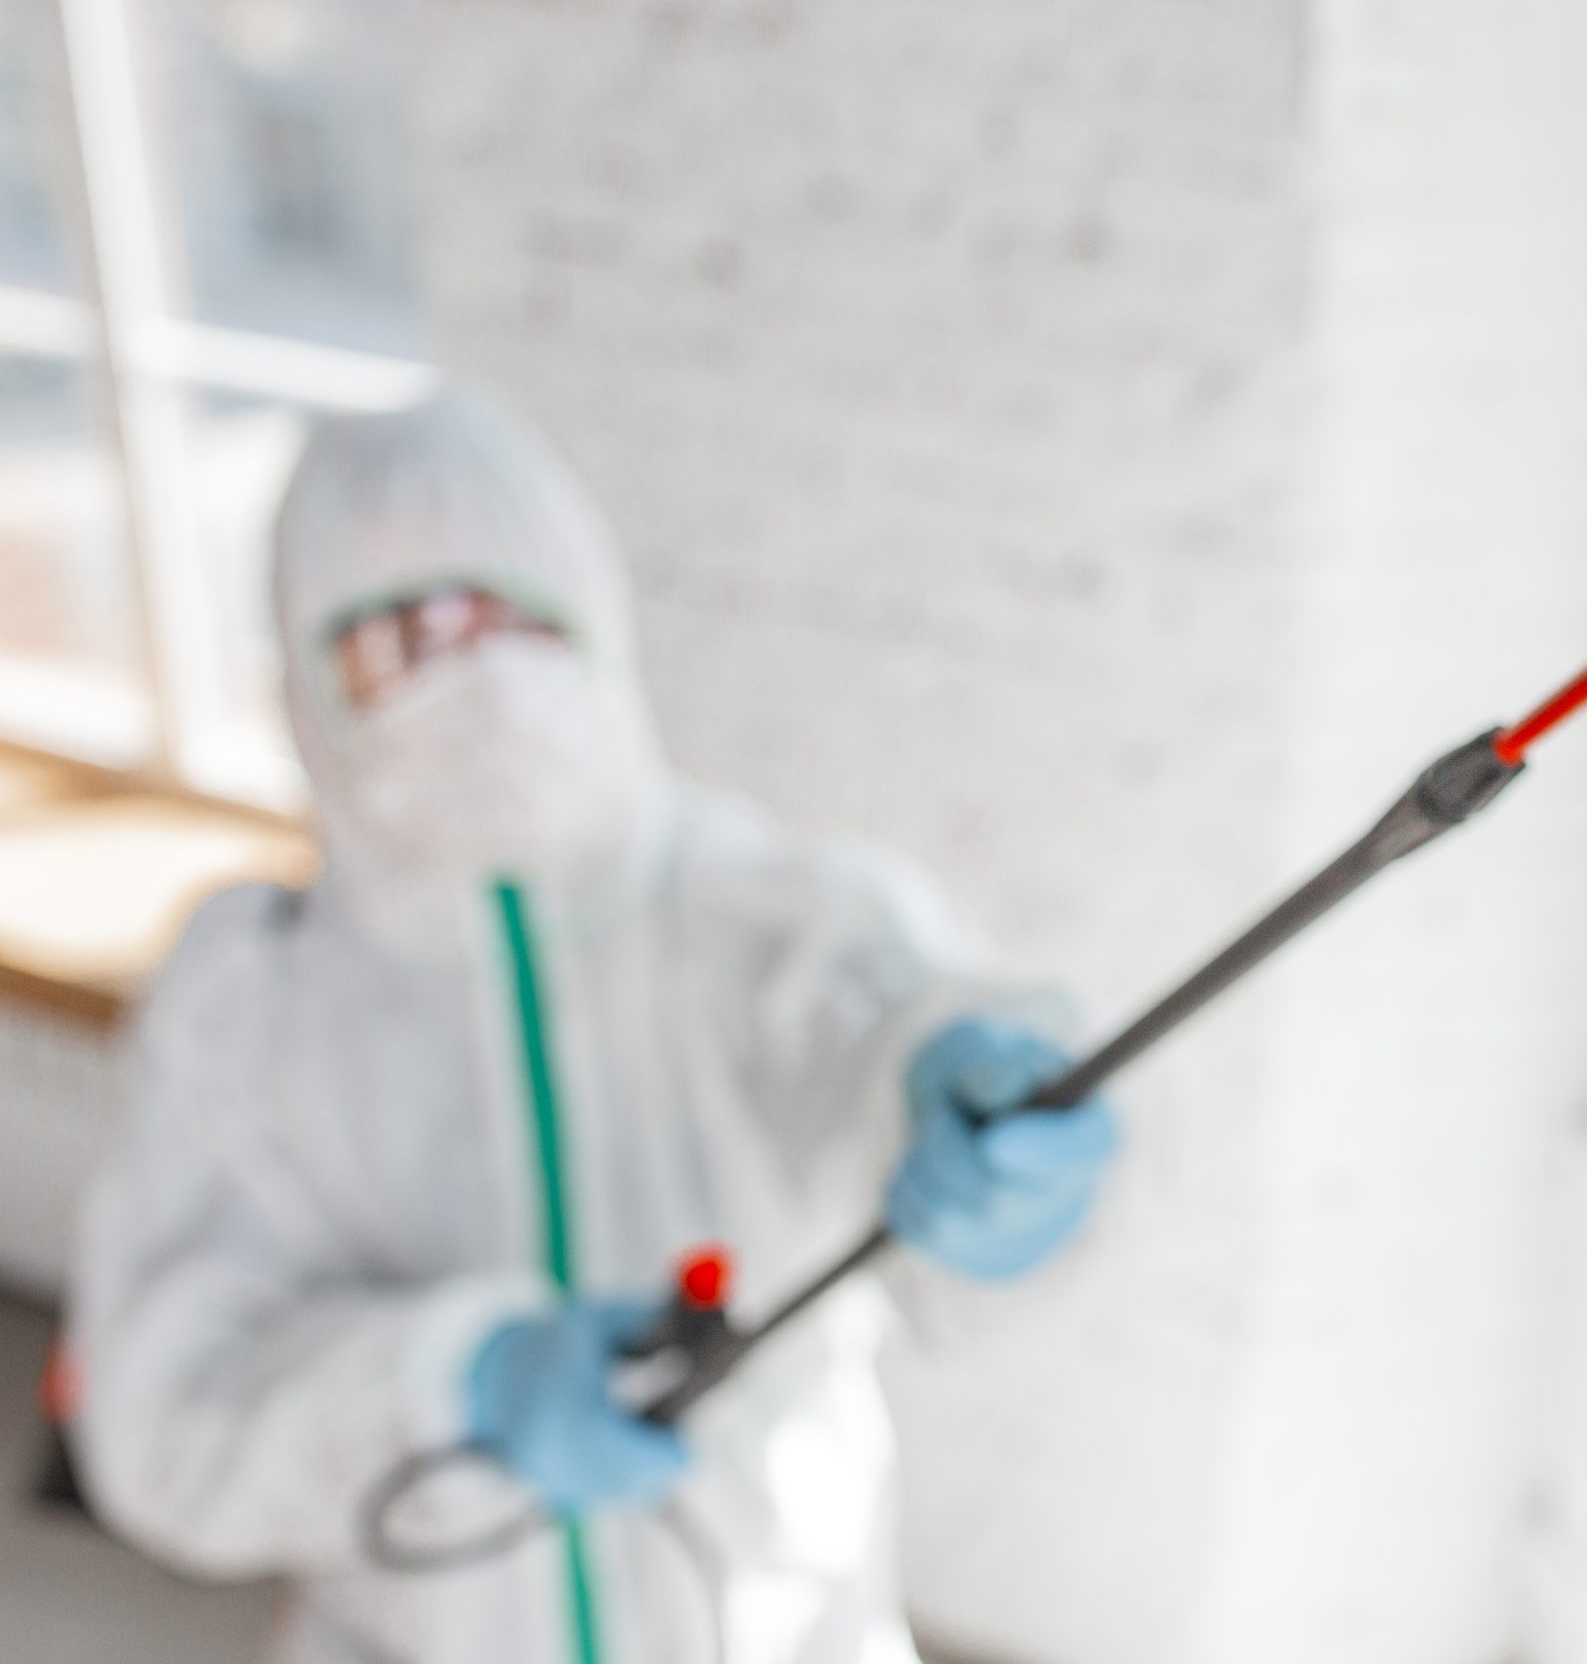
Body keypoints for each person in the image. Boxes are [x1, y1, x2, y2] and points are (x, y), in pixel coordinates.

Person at [69, 392, 1118, 1664]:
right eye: (399, 637)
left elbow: (887, 1035)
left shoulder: (775, 916)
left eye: (509, 617)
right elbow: (162, 1428)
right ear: (304, 685)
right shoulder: (246, 1008)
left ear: (595, 624)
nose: (471, 674)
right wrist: (449, 1382)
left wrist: (982, 1114)